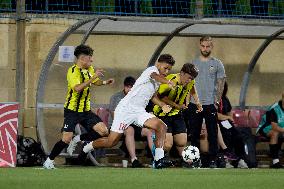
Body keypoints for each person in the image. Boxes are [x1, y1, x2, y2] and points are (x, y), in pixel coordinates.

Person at [78, 54, 176, 169]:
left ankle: (159, 160)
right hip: (125, 110)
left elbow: (153, 96)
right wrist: (168, 82)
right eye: (165, 68)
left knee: (161, 126)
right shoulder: (151, 70)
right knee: (111, 142)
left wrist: (162, 104)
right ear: (158, 63)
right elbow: (155, 76)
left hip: (139, 111)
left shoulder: (159, 81)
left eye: (169, 69)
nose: (167, 71)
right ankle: (87, 148)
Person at [43, 44, 114, 169]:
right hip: (72, 111)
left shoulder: (90, 69)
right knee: (65, 139)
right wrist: (93, 77)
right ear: (82, 58)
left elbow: (95, 82)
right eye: (89, 57)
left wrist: (104, 82)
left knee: (103, 131)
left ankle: (78, 139)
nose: (91, 60)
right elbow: (77, 88)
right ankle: (49, 160)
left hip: (85, 111)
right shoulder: (72, 71)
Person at [184, 36, 226, 168]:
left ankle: (213, 159)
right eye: (203, 46)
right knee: (194, 133)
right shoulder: (192, 64)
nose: (205, 49)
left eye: (208, 46)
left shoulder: (217, 64)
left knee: (213, 133)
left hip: (210, 104)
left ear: (211, 47)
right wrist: (186, 102)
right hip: (194, 104)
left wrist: (217, 101)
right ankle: (195, 160)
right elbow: (186, 83)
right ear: (199, 46)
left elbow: (221, 83)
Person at [152, 63, 201, 166]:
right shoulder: (171, 80)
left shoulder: (190, 81)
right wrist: (177, 105)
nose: (189, 80)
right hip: (163, 114)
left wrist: (197, 102)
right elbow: (160, 96)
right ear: (182, 73)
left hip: (177, 114)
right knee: (168, 144)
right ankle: (158, 158)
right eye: (188, 78)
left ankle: (186, 161)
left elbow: (192, 88)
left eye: (191, 78)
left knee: (182, 142)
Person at [108, 76, 154, 168]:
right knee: (130, 129)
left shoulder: (137, 97)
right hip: (118, 125)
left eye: (132, 87)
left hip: (134, 124)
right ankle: (134, 160)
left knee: (149, 131)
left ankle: (156, 158)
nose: (129, 89)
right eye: (127, 87)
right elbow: (115, 116)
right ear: (124, 87)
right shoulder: (116, 97)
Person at [257, 92, 284, 168]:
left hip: (281, 129)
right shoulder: (275, 109)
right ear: (283, 98)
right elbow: (275, 127)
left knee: (279, 133)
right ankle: (275, 162)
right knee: (275, 133)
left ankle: (274, 152)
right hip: (266, 128)